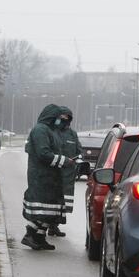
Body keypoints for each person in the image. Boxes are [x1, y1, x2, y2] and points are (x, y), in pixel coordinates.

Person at [21, 104, 74, 250]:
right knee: (43, 211)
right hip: (41, 176)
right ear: (51, 116)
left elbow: (57, 149)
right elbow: (43, 153)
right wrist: (64, 161)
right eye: (59, 118)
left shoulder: (52, 131)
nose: (60, 121)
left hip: (52, 177)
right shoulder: (40, 130)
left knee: (51, 211)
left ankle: (39, 237)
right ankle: (30, 235)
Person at [48, 106, 81, 237]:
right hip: (52, 173)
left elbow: (79, 151)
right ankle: (46, 226)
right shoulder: (50, 131)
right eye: (61, 117)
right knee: (49, 202)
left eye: (66, 118)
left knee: (62, 204)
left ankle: (55, 226)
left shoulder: (72, 134)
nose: (63, 120)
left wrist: (78, 162)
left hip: (67, 175)